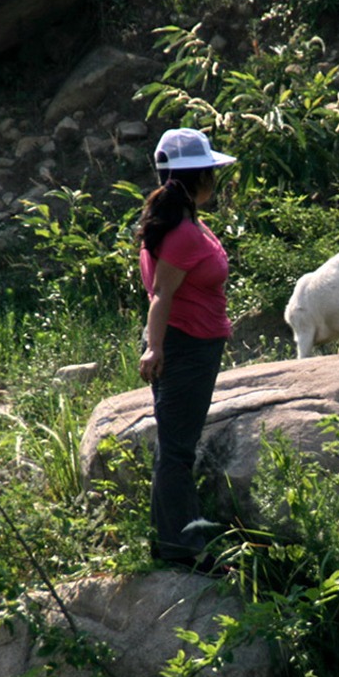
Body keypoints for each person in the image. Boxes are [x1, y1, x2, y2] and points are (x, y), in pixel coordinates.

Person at [137, 128, 237, 573]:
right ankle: (185, 551)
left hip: (197, 343)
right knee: (177, 451)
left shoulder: (184, 219)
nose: (216, 180)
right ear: (195, 176)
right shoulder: (179, 230)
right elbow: (161, 295)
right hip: (185, 347)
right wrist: (154, 347)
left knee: (176, 447)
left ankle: (170, 542)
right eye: (212, 173)